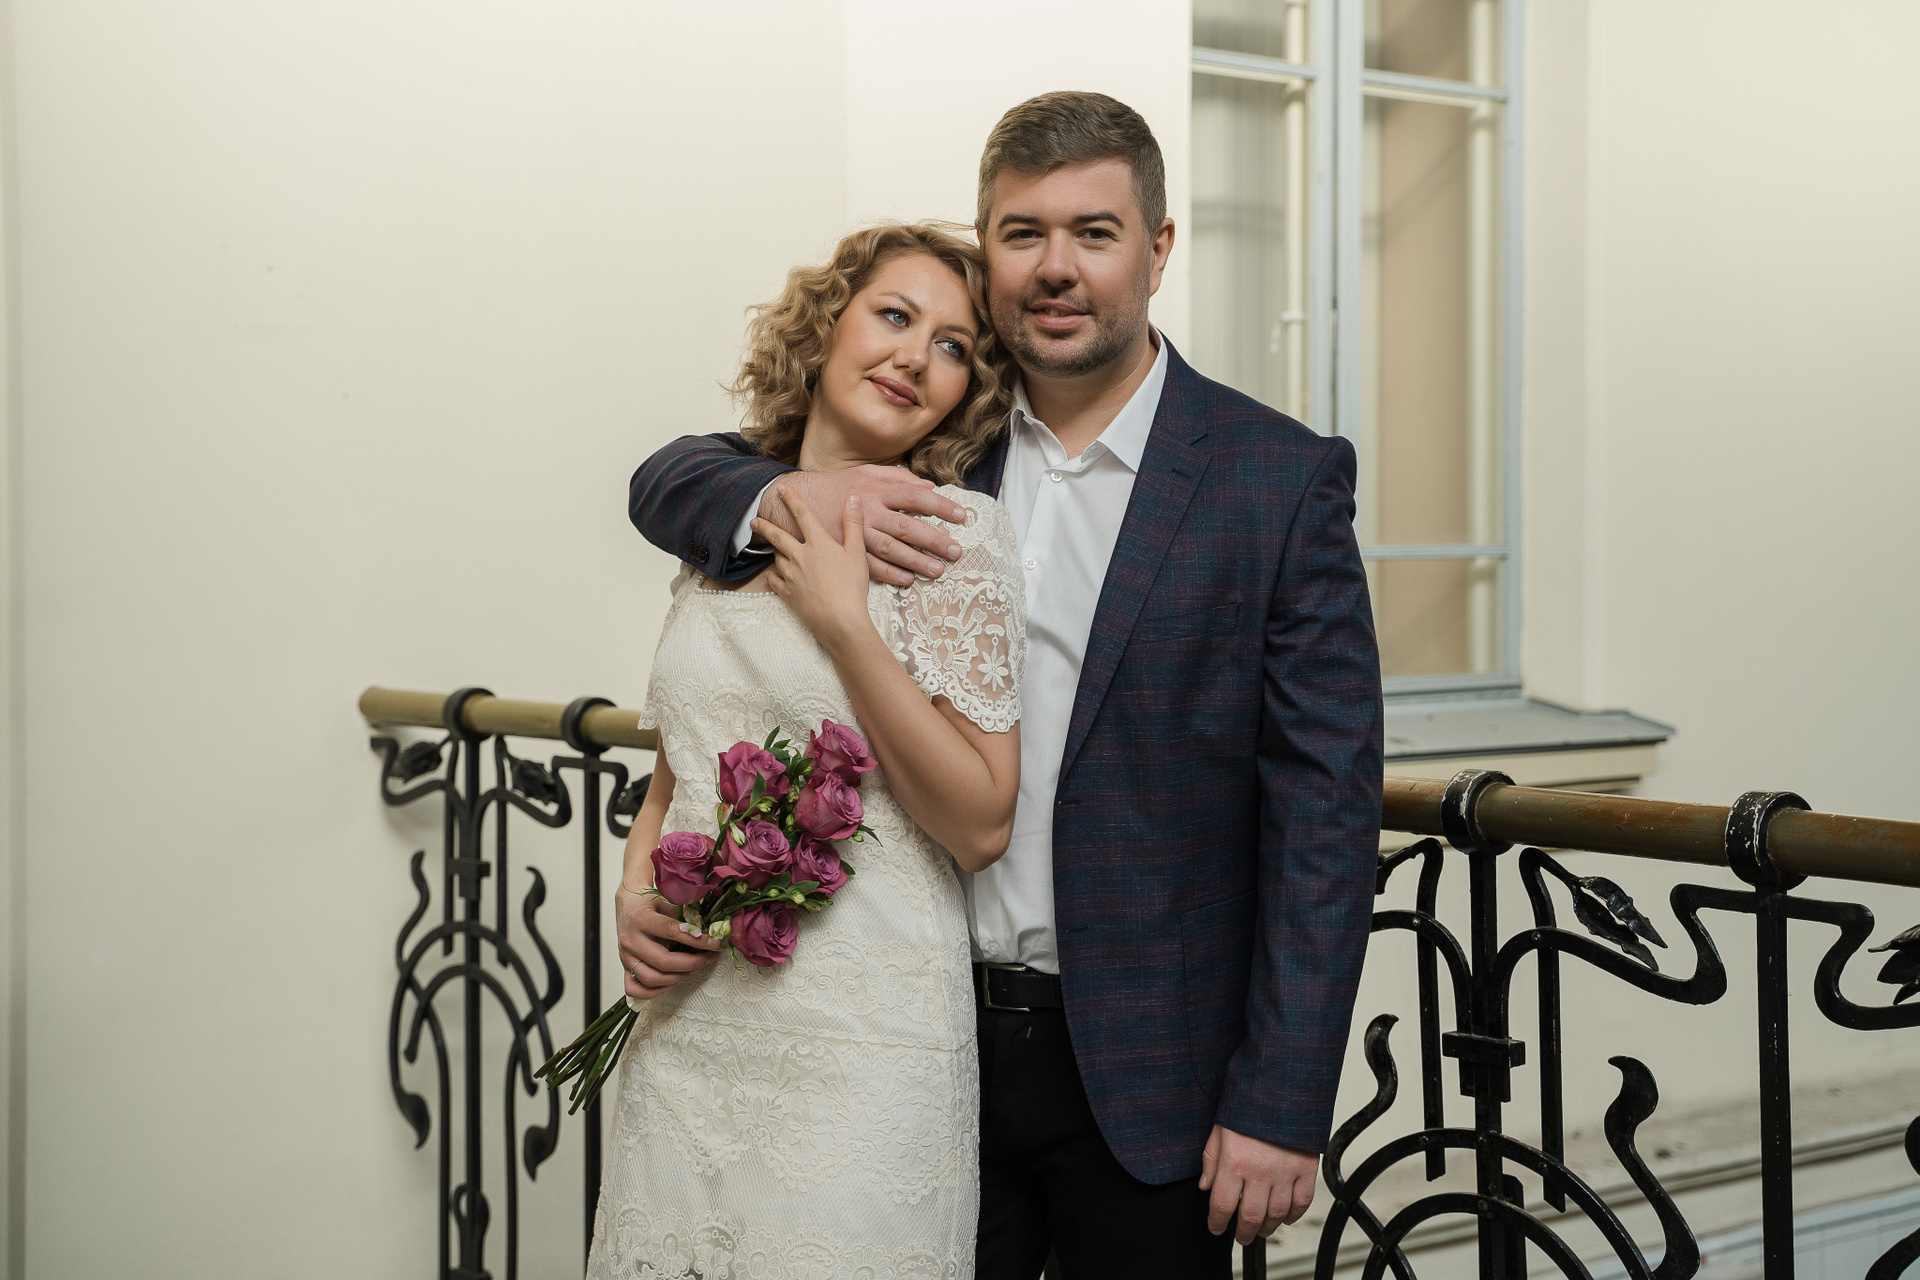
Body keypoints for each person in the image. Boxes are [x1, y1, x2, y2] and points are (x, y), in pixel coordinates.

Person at [628, 93, 1382, 1278]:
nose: (1057, 266)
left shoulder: (1275, 479)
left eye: (1095, 231)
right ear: (991, 253)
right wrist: (781, 495)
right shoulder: (930, 439)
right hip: (910, 1035)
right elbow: (678, 476)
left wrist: (1283, 1096)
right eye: (1024, 234)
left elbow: (1325, 811)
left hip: (1148, 1073)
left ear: (1158, 249)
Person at [591, 223, 1026, 1279]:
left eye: (955, 346)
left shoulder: (949, 534)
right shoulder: (727, 524)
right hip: (691, 1032)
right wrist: (637, 893)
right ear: (828, 327)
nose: (916, 356)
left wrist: (844, 624)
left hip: (861, 1043)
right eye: (894, 316)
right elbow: (680, 773)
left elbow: (980, 822)